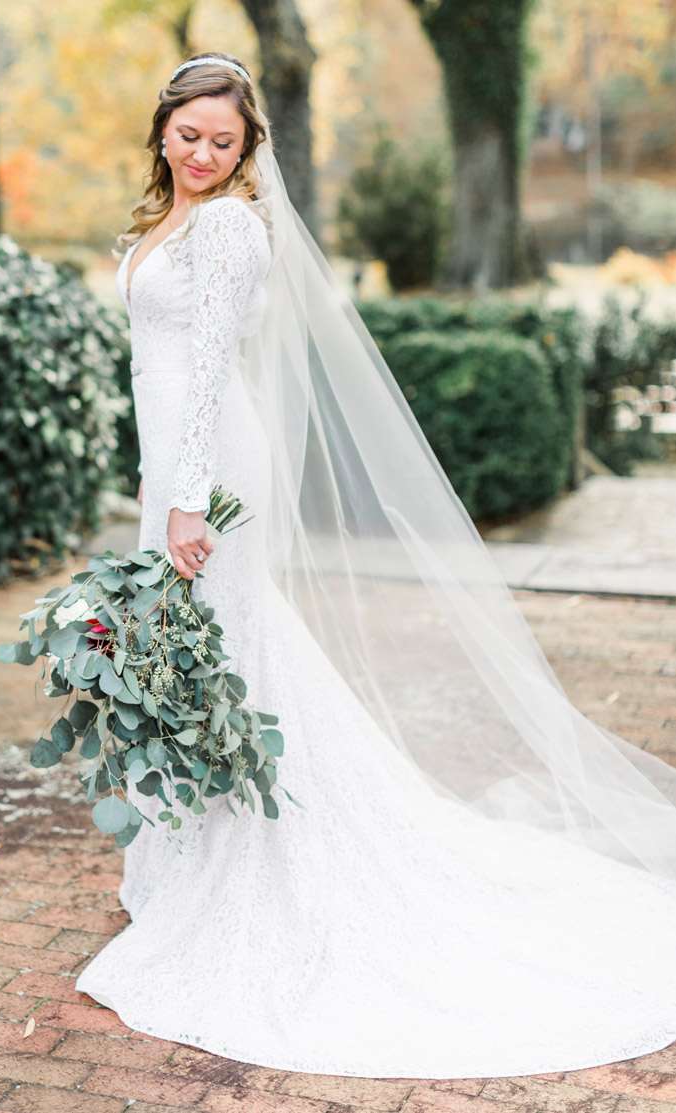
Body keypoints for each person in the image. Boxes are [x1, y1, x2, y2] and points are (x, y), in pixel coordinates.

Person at [76, 52, 676, 1078]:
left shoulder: (225, 226)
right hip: (170, 461)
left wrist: (183, 499)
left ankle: (259, 858)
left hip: (209, 469)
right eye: (187, 136)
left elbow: (214, 363)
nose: (202, 155)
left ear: (248, 145)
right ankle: (191, 860)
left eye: (224, 141)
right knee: (195, 656)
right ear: (160, 129)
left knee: (223, 653)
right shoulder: (162, 219)